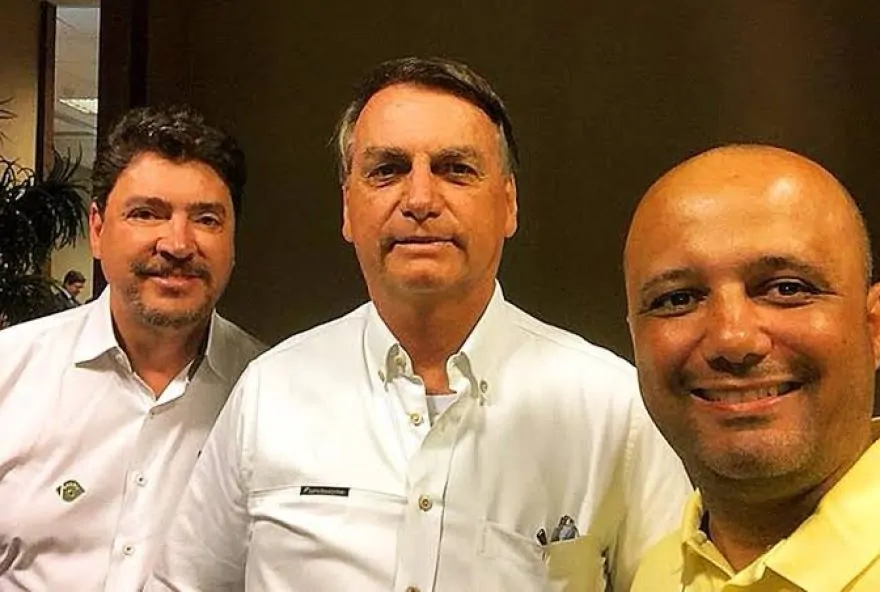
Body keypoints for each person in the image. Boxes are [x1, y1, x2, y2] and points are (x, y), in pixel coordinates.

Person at [148, 57, 689, 592]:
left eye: (456, 169)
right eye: (387, 170)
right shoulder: (271, 392)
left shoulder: (612, 407)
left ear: (508, 204)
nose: (421, 200)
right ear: (347, 208)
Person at [0, 105, 265, 590]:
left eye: (206, 219)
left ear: (233, 242)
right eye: (146, 214)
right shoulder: (9, 372)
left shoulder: (271, 394)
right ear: (97, 229)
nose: (177, 244)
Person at [624, 145, 880, 591]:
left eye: (786, 289)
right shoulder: (659, 573)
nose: (733, 338)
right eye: (677, 299)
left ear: (873, 327)